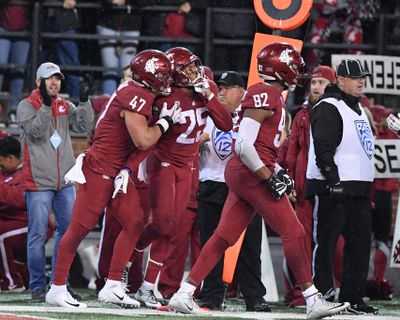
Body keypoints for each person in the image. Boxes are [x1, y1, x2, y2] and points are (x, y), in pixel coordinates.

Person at [167, 42, 350, 319]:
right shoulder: (265, 92)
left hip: (247, 171)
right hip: (249, 172)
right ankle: (313, 299)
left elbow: (259, 146)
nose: (297, 71)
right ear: (280, 67)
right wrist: (267, 177)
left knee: (223, 236)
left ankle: (184, 293)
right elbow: (243, 144)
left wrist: (277, 171)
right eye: (293, 65)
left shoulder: (271, 94)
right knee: (294, 231)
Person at [45, 49, 181, 309]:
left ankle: (113, 285)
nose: (167, 80)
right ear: (150, 76)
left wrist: (128, 169)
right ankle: (57, 286)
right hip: (99, 169)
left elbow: (141, 147)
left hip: (117, 170)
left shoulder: (142, 94)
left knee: (135, 223)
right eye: (163, 75)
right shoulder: (135, 95)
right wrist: (164, 124)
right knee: (79, 228)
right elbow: (144, 140)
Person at [132, 47, 232, 308]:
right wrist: (134, 163)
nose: (193, 72)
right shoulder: (163, 95)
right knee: (163, 224)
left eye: (194, 66)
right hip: (163, 163)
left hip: (187, 166)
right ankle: (130, 255)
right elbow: (142, 129)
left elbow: (226, 124)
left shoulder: (205, 88)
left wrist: (209, 97)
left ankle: (146, 286)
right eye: (186, 68)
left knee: (173, 228)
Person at [306, 59, 378, 314]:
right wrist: (332, 180)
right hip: (333, 189)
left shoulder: (357, 108)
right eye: (356, 77)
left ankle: (353, 297)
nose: (361, 81)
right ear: (341, 80)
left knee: (359, 246)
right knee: (325, 244)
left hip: (357, 190)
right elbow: (323, 149)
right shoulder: (329, 106)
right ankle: (322, 295)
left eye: (363, 77)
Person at [16, 62, 93, 301]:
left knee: (68, 232)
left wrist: (84, 100)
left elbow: (83, 125)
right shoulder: (26, 106)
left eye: (57, 79)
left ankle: (60, 282)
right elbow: (37, 132)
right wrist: (46, 107)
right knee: (38, 234)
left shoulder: (63, 104)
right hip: (38, 182)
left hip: (65, 182)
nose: (54, 83)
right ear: (38, 82)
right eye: (49, 79)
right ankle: (38, 285)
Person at [197, 70, 270, 312]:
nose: (222, 92)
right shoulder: (207, 112)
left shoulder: (252, 115)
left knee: (250, 245)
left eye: (227, 87)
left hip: (244, 186)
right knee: (210, 243)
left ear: (241, 92)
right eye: (220, 87)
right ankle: (211, 295)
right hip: (211, 182)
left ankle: (254, 296)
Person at [284, 65, 344, 306]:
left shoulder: (337, 112)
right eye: (314, 83)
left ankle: (329, 287)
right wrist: (289, 181)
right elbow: (292, 152)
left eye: (321, 82)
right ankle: (302, 291)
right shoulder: (302, 115)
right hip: (303, 190)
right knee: (300, 239)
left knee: (331, 242)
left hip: (327, 187)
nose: (316, 86)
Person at [96, 0, 147, 95]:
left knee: (127, 69)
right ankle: (108, 101)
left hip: (131, 24)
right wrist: (111, 1)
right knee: (110, 67)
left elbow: (145, 3)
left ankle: (124, 100)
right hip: (108, 23)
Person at [0, 1, 31, 124]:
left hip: (24, 28)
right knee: (1, 66)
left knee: (18, 70)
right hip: (3, 26)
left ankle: (14, 110)